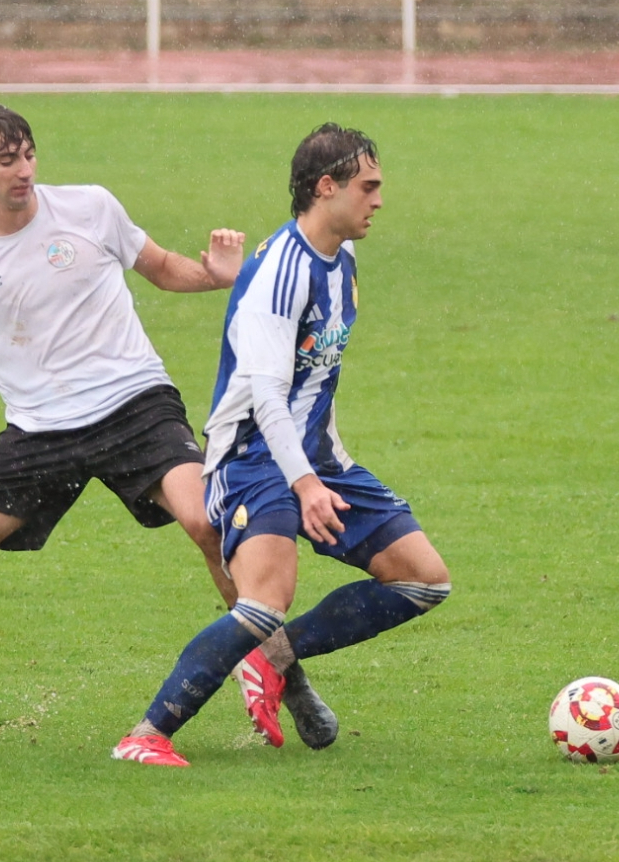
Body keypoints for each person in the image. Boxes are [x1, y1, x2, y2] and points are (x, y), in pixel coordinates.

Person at [0, 99, 334, 746]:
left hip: (135, 404)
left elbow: (163, 268)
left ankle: (285, 676)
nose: (24, 170)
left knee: (209, 521)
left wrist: (216, 276)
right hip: (41, 431)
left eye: (29, 155)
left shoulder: (90, 208)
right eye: (6, 160)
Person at [113, 124, 452, 768]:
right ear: (326, 187)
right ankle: (146, 735)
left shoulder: (341, 260)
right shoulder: (281, 274)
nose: (379, 200)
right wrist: (303, 484)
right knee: (266, 601)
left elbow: (317, 376)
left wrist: (326, 465)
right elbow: (268, 395)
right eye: (368, 187)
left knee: (424, 580)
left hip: (315, 457)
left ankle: (272, 660)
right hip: (251, 457)